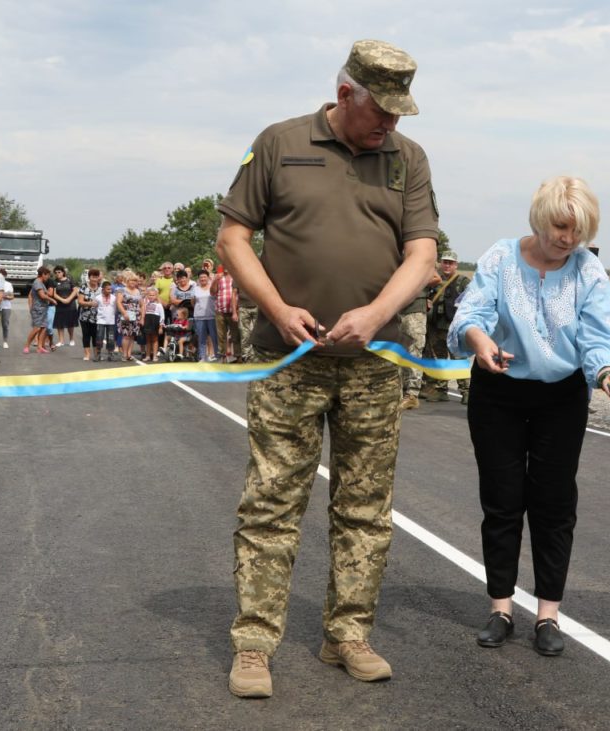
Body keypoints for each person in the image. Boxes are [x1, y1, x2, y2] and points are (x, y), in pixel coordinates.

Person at [215, 39, 439, 698]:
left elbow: (422, 254)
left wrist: (373, 316)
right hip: (289, 360)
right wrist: (278, 308)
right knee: (271, 502)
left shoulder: (408, 159)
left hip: (372, 364)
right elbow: (233, 237)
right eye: (382, 111)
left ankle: (348, 633)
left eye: (400, 114)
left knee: (366, 507)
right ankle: (254, 644)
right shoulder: (281, 144)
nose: (391, 125)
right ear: (346, 94)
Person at [448, 176, 610, 657]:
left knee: (554, 505)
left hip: (561, 398)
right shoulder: (500, 257)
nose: (567, 239)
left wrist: (609, 372)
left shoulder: (587, 272)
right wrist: (480, 341)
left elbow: (602, 336)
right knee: (502, 500)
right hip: (498, 392)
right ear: (540, 216)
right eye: (560, 226)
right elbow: (471, 313)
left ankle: (548, 614)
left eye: (578, 231)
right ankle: (501, 608)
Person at [421, 251, 471, 404]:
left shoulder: (462, 281)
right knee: (439, 359)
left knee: (458, 360)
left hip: (454, 328)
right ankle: (440, 390)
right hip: (436, 327)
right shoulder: (435, 280)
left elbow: (471, 300)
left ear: (456, 265)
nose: (447, 265)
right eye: (445, 262)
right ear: (441, 263)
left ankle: (466, 392)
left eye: (450, 263)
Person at [398, 271, 440, 409]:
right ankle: (401, 392)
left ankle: (412, 394)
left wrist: (412, 285)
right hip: (397, 310)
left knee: (414, 351)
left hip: (415, 311)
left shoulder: (418, 254)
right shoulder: (397, 255)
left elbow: (436, 278)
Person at [212, 265, 239, 362]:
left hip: (233, 311)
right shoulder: (219, 277)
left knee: (235, 335)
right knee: (221, 336)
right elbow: (212, 292)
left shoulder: (236, 277)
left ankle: (238, 356)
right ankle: (223, 358)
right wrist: (215, 280)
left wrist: (237, 310)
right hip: (220, 311)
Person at [24, 266, 54, 354]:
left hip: (44, 308)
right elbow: (42, 295)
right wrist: (52, 300)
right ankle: (27, 345)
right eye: (47, 275)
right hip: (38, 309)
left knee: (43, 328)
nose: (48, 277)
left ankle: (40, 347)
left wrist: (48, 293)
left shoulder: (41, 283)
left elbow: (45, 293)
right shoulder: (37, 282)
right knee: (36, 328)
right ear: (43, 274)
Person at [191, 269, 218, 361]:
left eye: (204, 277)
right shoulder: (195, 289)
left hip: (212, 316)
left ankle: (217, 355)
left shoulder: (212, 287)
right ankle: (202, 357)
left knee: (214, 337)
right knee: (202, 338)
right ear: (198, 279)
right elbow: (192, 302)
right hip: (199, 317)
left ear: (208, 278)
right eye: (201, 277)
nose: (202, 278)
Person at [77, 268, 103, 361]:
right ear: (89, 277)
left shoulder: (101, 288)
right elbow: (80, 301)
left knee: (96, 335)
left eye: (96, 277)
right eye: (92, 277)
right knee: (86, 335)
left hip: (98, 317)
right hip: (85, 316)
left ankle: (96, 354)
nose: (94, 279)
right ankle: (87, 354)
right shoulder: (84, 287)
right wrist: (90, 303)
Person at [116, 271, 143, 361]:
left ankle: (129, 354)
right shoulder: (121, 290)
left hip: (136, 315)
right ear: (127, 281)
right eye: (131, 281)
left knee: (132, 335)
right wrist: (124, 313)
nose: (133, 283)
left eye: (135, 281)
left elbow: (141, 304)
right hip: (126, 315)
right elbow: (118, 302)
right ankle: (124, 354)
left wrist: (142, 317)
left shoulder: (138, 291)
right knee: (126, 335)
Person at [51, 265, 79, 347]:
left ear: (63, 272)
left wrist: (69, 299)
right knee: (60, 323)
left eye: (59, 272)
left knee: (70, 323)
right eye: (56, 273)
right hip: (60, 304)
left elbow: (75, 290)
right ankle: (61, 340)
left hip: (71, 304)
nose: (57, 274)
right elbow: (54, 294)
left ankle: (71, 339)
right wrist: (62, 300)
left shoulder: (70, 280)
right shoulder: (54, 282)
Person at [94, 280, 117, 362]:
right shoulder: (98, 297)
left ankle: (110, 354)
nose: (110, 291)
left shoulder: (114, 298)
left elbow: (115, 308)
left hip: (111, 321)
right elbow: (95, 307)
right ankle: (98, 354)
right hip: (101, 321)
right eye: (108, 289)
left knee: (110, 338)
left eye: (110, 289)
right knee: (99, 337)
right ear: (103, 289)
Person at [142, 286, 165, 361]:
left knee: (155, 340)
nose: (151, 296)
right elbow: (143, 312)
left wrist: (161, 326)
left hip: (155, 322)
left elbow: (162, 316)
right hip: (147, 321)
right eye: (150, 295)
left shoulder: (159, 305)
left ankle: (155, 355)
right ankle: (148, 355)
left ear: (156, 296)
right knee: (148, 340)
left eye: (153, 295)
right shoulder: (146, 303)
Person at [0, 268, 14, 349]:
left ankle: (5, 341)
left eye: (2, 276)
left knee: (5, 324)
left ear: (5, 276)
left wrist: (5, 296)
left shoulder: (8, 284)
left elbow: (12, 296)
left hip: (6, 307)